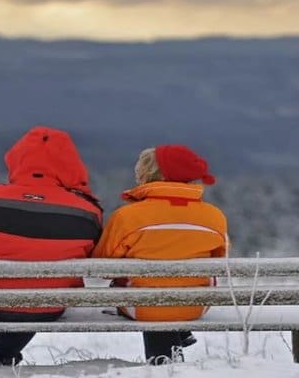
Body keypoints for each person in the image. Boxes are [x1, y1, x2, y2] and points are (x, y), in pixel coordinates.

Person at [0, 126, 103, 365]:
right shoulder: (87, 211)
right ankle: (3, 354)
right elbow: (91, 252)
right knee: (38, 288)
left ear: (17, 159)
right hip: (44, 308)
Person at [91, 144, 228, 365]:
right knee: (164, 293)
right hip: (195, 306)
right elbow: (219, 262)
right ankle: (177, 341)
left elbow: (102, 267)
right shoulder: (215, 216)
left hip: (142, 307)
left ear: (149, 174)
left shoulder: (127, 217)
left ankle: (164, 364)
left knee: (149, 295)